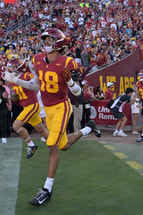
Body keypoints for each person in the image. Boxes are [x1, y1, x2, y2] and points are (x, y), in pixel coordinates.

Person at [3, 28, 101, 206]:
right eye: (45, 40)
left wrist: (70, 81)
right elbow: (35, 86)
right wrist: (15, 80)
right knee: (63, 145)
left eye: (49, 40)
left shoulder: (68, 62)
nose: (46, 43)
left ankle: (47, 189)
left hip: (61, 107)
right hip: (47, 108)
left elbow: (78, 92)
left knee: (51, 145)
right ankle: (88, 128)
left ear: (58, 44)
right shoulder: (36, 60)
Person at [6, 58, 49, 157]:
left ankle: (31, 145)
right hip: (26, 107)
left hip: (32, 105)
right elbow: (16, 98)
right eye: (11, 67)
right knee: (41, 129)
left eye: (13, 67)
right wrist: (8, 97)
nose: (11, 69)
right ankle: (55, 144)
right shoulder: (12, 80)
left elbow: (37, 80)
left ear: (19, 67)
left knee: (16, 126)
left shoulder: (26, 75)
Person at [0, 78, 10, 144]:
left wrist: (9, 104)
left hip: (3, 108)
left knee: (3, 123)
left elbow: (6, 98)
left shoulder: (3, 89)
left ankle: (3, 137)